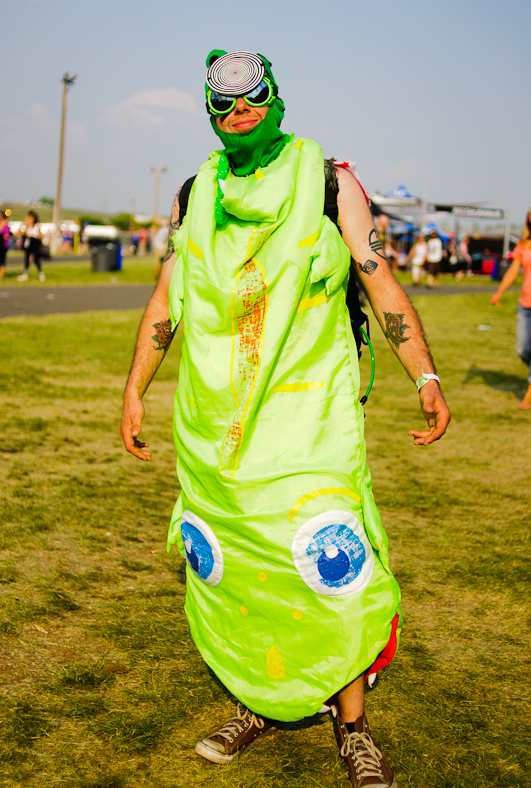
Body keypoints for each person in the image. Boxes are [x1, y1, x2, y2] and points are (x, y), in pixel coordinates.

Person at [120, 50, 451, 788]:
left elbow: (377, 279)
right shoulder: (195, 191)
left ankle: (353, 724)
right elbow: (166, 299)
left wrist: (423, 373)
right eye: (223, 105)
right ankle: (260, 700)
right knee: (238, 565)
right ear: (209, 112)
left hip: (310, 421)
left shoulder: (331, 184)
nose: (239, 114)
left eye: (252, 99)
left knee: (332, 562)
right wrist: (136, 387)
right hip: (219, 427)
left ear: (274, 99)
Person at [491, 208, 531, 410]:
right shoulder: (523, 245)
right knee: (523, 349)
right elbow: (513, 272)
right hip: (525, 304)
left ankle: (528, 397)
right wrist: (499, 292)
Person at [16, 211, 45, 281]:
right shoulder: (27, 226)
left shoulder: (37, 226)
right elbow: (20, 233)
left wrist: (34, 236)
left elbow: (41, 236)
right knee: (26, 259)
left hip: (35, 243)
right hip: (28, 244)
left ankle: (41, 273)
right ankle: (25, 274)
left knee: (36, 259)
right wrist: (24, 224)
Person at [0, 208, 10, 281]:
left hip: (3, 245)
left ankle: (1, 275)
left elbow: (6, 237)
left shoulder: (6, 225)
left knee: (2, 260)